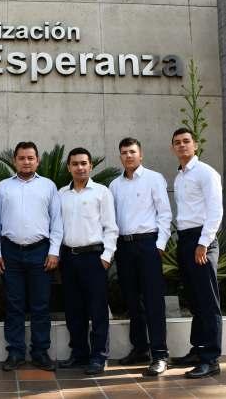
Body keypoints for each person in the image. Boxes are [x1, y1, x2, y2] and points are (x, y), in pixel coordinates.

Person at [0, 141, 63, 372]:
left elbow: (57, 221)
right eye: (22, 158)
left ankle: (40, 352)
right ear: (14, 160)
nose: (26, 162)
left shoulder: (49, 186)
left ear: (37, 160)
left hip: (40, 252)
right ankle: (15, 352)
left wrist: (54, 251)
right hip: (10, 252)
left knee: (40, 305)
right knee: (14, 304)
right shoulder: (3, 187)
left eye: (30, 158)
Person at [109, 138, 171, 376]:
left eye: (132, 152)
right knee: (132, 300)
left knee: (153, 301)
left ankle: (160, 354)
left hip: (148, 245)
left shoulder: (154, 178)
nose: (128, 156)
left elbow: (164, 214)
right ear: (120, 156)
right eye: (124, 152)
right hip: (124, 247)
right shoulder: (115, 185)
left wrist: (160, 245)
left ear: (140, 154)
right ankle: (140, 348)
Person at [58, 147, 118, 375]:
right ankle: (79, 354)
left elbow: (111, 227)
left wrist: (106, 257)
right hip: (68, 258)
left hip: (94, 258)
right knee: (73, 310)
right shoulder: (61, 194)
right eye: (75, 164)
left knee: (97, 310)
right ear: (69, 167)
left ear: (91, 166)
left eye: (84, 163)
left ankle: (99, 356)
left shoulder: (102, 192)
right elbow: (57, 228)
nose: (80, 167)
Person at [171, 127, 223, 378]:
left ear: (195, 145)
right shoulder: (179, 177)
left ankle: (211, 359)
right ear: (173, 148)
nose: (182, 145)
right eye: (177, 142)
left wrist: (203, 243)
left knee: (208, 302)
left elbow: (215, 210)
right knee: (194, 300)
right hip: (185, 240)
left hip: (202, 240)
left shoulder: (206, 173)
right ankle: (198, 349)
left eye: (186, 141)